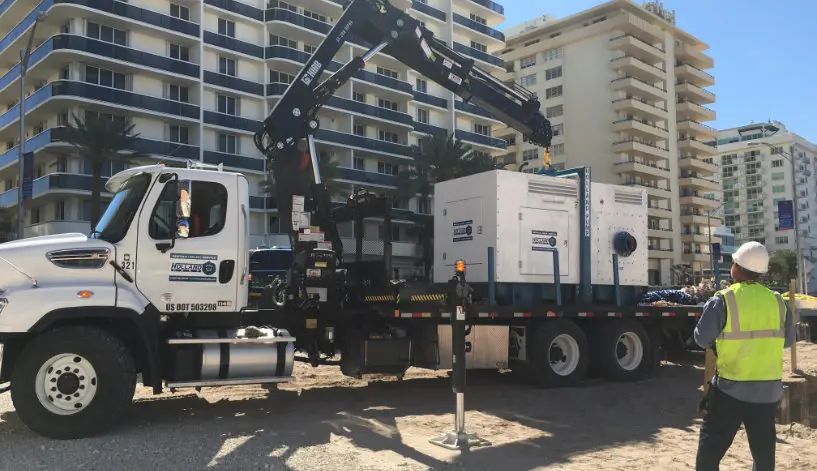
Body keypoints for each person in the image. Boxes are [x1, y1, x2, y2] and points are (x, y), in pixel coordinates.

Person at [693, 241, 796, 471]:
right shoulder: (778, 302)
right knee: (763, 455)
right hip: (768, 392)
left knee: (709, 451)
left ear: (736, 268)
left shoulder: (724, 299)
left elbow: (701, 338)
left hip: (730, 389)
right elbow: (788, 340)